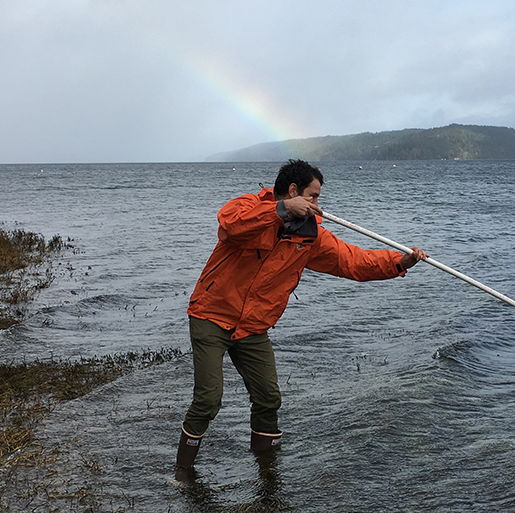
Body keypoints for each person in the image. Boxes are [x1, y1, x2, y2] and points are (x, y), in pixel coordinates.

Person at [175, 159, 427, 476]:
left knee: (268, 398)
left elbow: (354, 262)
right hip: (211, 315)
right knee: (209, 400)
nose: (318, 205)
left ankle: (266, 471)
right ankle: (182, 475)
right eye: (314, 196)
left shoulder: (311, 236)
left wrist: (400, 262)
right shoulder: (249, 206)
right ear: (293, 191)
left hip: (253, 326)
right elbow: (230, 226)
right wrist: (280, 211)